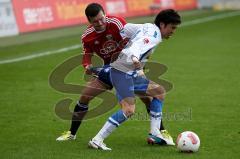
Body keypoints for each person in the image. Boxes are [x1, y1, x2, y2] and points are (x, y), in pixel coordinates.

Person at [56, 3, 170, 141]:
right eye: (95, 22)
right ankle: (71, 134)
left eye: (101, 18)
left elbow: (134, 41)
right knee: (85, 97)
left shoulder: (116, 23)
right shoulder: (87, 36)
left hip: (127, 68)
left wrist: (137, 61)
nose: (100, 23)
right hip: (108, 71)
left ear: (105, 14)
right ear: (89, 22)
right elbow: (87, 54)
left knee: (148, 99)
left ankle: (161, 131)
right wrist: (87, 65)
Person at [88, 9, 181, 150]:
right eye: (172, 27)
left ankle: (155, 133)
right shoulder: (154, 36)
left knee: (159, 92)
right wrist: (135, 58)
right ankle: (97, 140)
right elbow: (137, 46)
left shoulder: (148, 26)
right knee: (129, 110)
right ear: (162, 24)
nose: (173, 31)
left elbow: (126, 29)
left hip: (128, 72)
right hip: (122, 72)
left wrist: (127, 44)